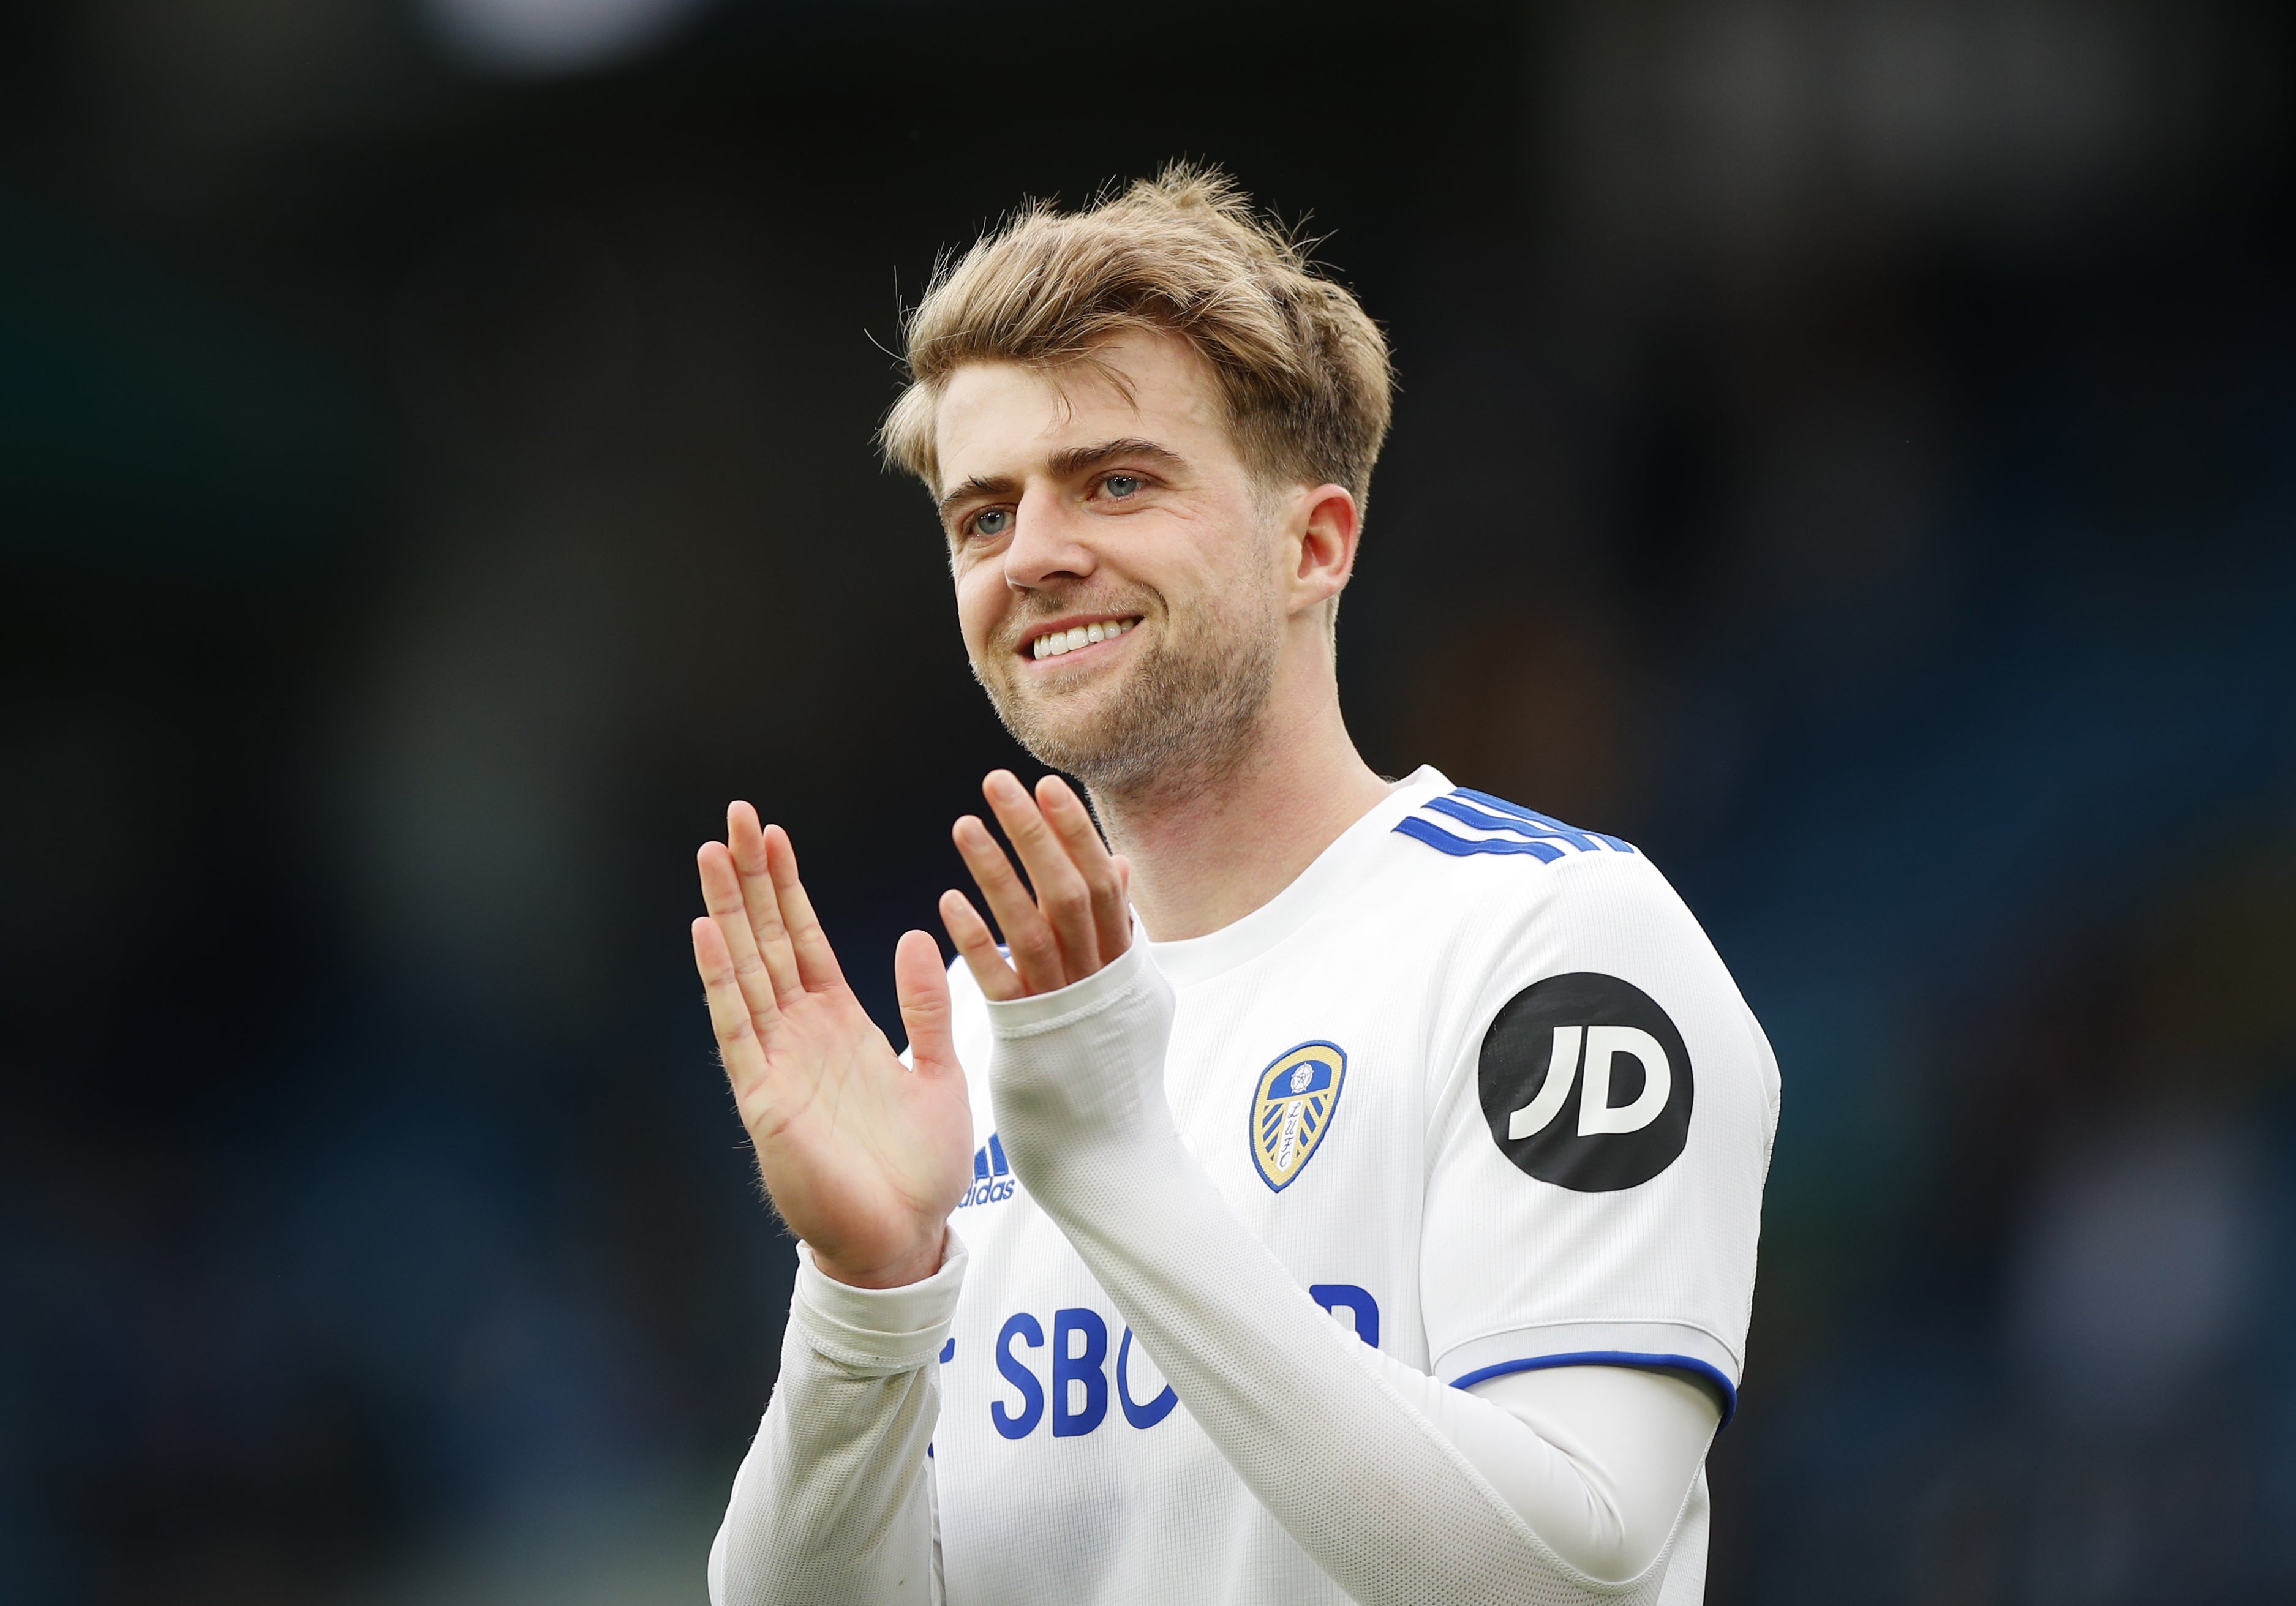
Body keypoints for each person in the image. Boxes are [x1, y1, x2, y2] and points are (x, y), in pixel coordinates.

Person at [689, 167, 1778, 1606]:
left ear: (1313, 543)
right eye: (982, 517)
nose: (1037, 557)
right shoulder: (975, 1038)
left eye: (1118, 482)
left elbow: (1566, 1572)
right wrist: (866, 1291)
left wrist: (1115, 1170)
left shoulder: (1551, 944)